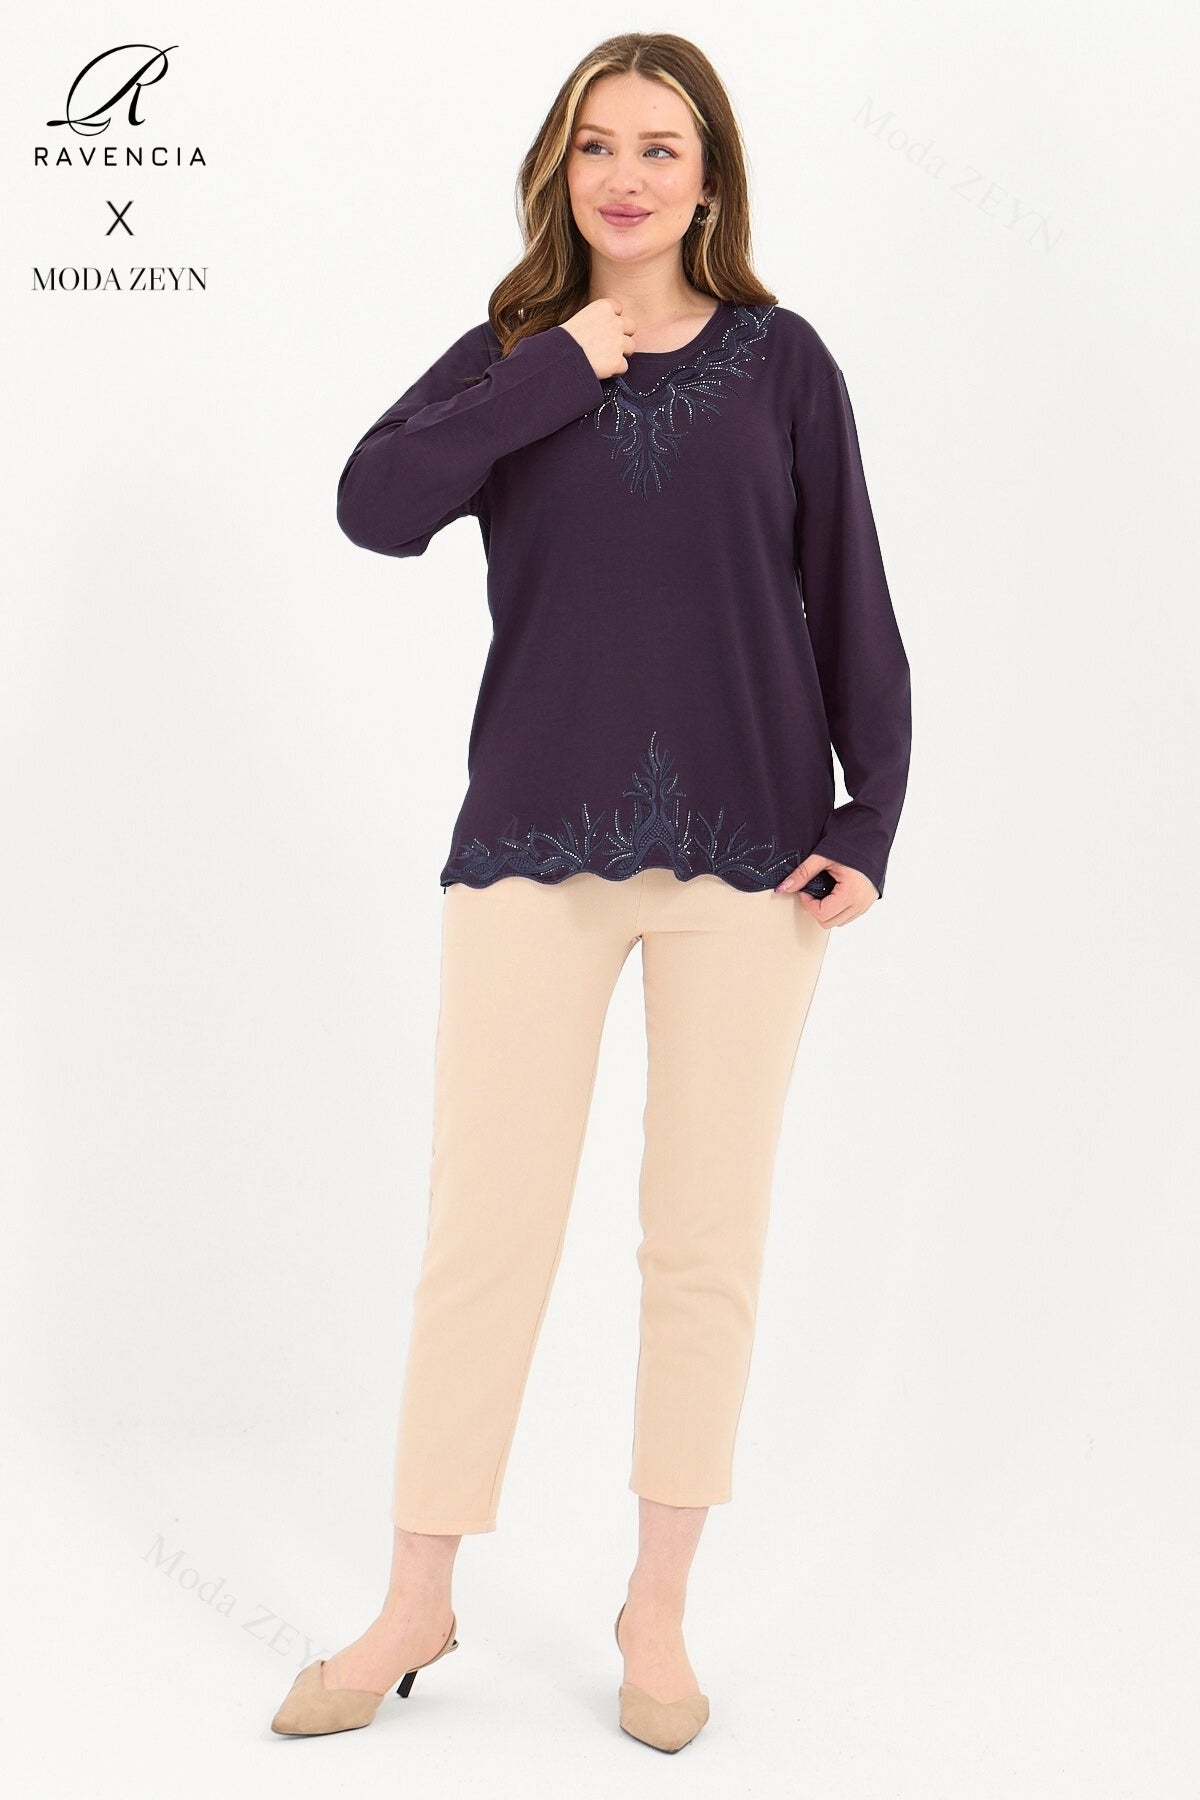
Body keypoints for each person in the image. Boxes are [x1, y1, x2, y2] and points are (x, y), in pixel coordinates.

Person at [271, 30, 911, 1754]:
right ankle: (416, 1598)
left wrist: (871, 812)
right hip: (529, 848)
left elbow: (850, 590)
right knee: (482, 1233)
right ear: (561, 170)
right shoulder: (509, 357)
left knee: (704, 1240)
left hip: (752, 861)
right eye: (598, 146)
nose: (627, 175)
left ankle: (658, 1605)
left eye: (661, 147)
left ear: (710, 181)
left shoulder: (784, 364)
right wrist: (556, 367)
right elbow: (373, 508)